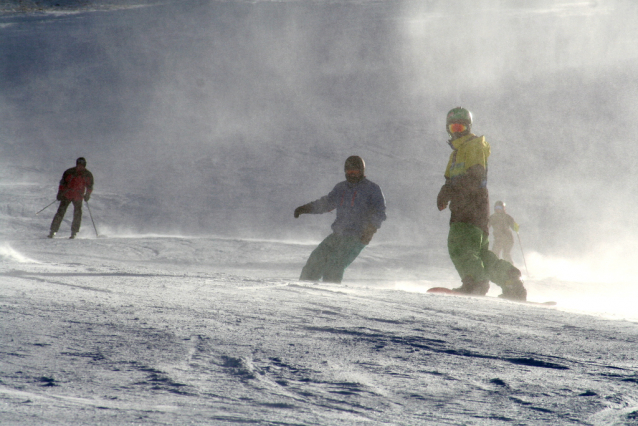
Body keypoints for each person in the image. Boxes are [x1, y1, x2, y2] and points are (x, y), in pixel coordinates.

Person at [436, 107, 526, 301]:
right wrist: (445, 193)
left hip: (469, 209)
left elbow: (475, 175)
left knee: (460, 247)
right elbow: (450, 180)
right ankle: (511, 282)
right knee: (481, 254)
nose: (457, 131)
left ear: (468, 127)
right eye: (453, 128)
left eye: (460, 127)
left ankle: (476, 282)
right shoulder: (456, 154)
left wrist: (451, 190)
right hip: (471, 211)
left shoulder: (474, 146)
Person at [294, 156, 386, 283]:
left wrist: (370, 230)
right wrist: (305, 208)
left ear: (362, 171)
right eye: (349, 171)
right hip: (338, 234)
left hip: (357, 236)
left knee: (334, 266)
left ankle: (330, 296)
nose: (352, 174)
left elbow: (379, 212)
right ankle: (305, 292)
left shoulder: (372, 189)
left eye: (355, 171)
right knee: (315, 261)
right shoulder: (341, 188)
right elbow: (326, 203)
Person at [48, 157, 94, 239]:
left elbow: (90, 186)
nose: (80, 167)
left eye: (82, 165)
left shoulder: (88, 175)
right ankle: (53, 231)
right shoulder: (69, 172)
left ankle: (74, 232)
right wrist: (60, 193)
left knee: (77, 214)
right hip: (67, 195)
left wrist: (87, 195)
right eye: (79, 165)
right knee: (60, 212)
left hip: (78, 196)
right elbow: (62, 183)